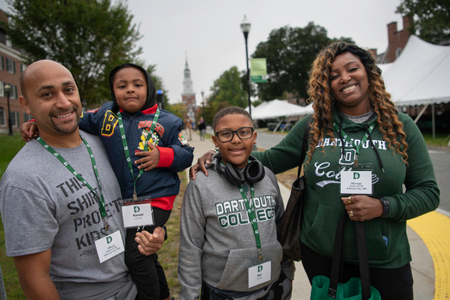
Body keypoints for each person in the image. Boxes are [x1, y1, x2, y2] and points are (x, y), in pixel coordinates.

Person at [190, 42, 440, 300]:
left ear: (368, 72)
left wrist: (384, 207)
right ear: (326, 85)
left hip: (385, 257)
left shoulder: (401, 126)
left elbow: (429, 193)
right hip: (322, 255)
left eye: (352, 68)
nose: (344, 78)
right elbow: (272, 159)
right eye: (333, 76)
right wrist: (223, 153)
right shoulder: (314, 125)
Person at [20, 63, 194, 300]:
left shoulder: (169, 122)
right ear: (113, 91)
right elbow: (68, 118)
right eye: (122, 86)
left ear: (149, 88)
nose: (130, 90)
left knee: (135, 255)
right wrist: (35, 123)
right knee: (144, 253)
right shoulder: (105, 116)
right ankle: (164, 295)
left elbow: (186, 154)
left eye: (137, 85)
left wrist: (162, 156)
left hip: (156, 201)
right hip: (127, 203)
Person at [178, 106, 294, 300]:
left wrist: (288, 273)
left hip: (272, 285)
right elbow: (190, 247)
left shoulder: (268, 177)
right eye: (226, 134)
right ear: (215, 140)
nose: (236, 139)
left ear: (254, 137)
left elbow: (281, 229)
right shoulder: (201, 186)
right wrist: (189, 296)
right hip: (223, 292)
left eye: (244, 132)